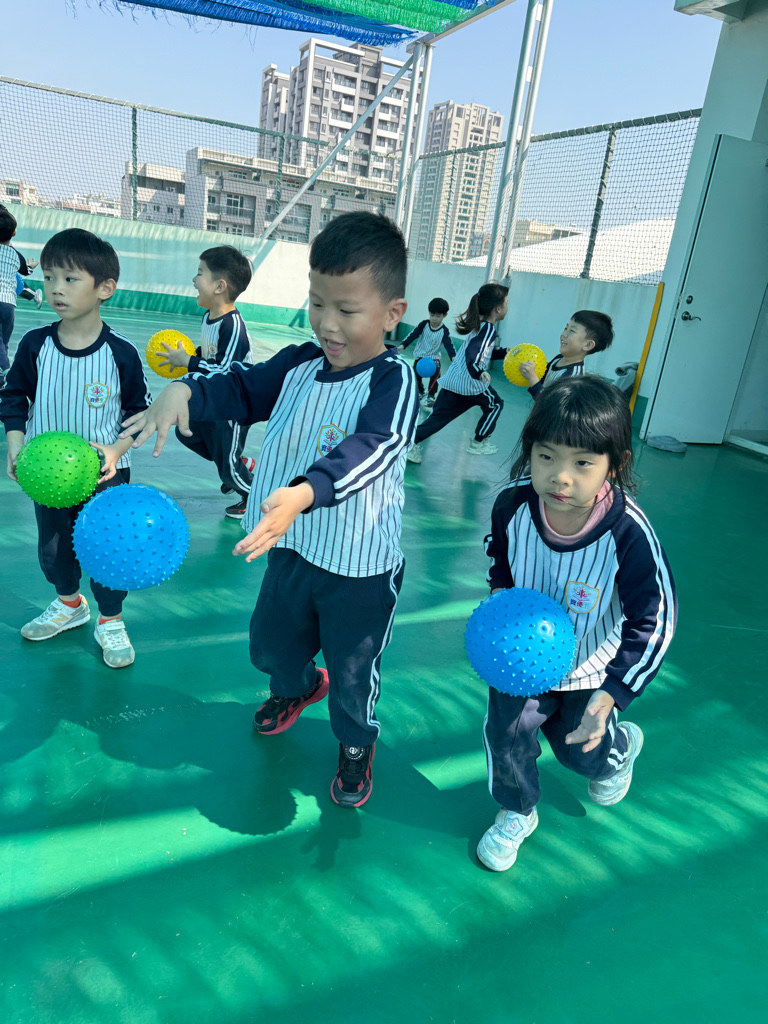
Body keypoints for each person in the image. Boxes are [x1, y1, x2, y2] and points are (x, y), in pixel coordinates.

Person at [121, 211, 418, 807]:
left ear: (392, 313)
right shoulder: (298, 364)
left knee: (354, 672)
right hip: (291, 547)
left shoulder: (394, 380)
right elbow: (241, 387)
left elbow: (375, 445)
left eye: (347, 310)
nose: (327, 323)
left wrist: (306, 491)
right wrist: (185, 389)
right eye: (317, 303)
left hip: (359, 567)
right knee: (269, 647)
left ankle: (355, 743)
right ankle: (298, 687)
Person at [476, 376, 677, 871]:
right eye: (546, 456)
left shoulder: (628, 533)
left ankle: (620, 747)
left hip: (591, 668)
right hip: (522, 661)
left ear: (615, 464)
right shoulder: (512, 504)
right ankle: (517, 810)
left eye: (582, 463)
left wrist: (612, 694)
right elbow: (500, 559)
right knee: (506, 736)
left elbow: (654, 619)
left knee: (580, 756)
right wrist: (500, 597)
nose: (560, 477)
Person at [1, 228, 152, 668]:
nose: (55, 289)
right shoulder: (36, 344)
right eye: (49, 278)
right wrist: (15, 444)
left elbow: (138, 414)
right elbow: (13, 397)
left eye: (70, 279)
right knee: (53, 550)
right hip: (47, 475)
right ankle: (70, 604)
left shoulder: (121, 353)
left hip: (106, 472)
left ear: (105, 288)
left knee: (107, 550)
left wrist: (116, 450)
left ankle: (110, 619)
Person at [158, 245, 256, 519]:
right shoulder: (209, 317)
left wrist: (188, 361)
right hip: (215, 399)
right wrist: (191, 357)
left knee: (227, 468)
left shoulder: (233, 326)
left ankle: (255, 495)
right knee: (187, 432)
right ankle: (237, 463)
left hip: (234, 405)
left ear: (219, 286)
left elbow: (225, 369)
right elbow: (210, 354)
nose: (194, 279)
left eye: (200, 273)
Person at [406, 283, 508, 463]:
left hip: (454, 381)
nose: (507, 306)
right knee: (495, 404)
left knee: (437, 419)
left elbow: (483, 352)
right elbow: (473, 354)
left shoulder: (480, 326)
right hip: (471, 383)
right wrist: (479, 372)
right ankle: (478, 442)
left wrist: (504, 353)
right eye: (506, 302)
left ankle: (409, 443)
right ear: (498, 308)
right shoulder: (489, 329)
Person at [519, 310, 614, 397]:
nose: (563, 334)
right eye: (566, 328)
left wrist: (532, 377)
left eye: (572, 331)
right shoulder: (558, 359)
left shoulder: (573, 377)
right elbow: (542, 380)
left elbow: (548, 402)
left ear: (588, 345)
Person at [0, 206, 41, 386]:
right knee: (4, 341)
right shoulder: (16, 255)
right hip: (9, 304)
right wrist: (32, 266)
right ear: (14, 232)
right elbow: (27, 271)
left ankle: (6, 372)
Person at [397, 296, 456, 407]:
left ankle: (431, 395)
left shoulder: (444, 331)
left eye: (438, 316)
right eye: (432, 315)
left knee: (436, 374)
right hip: (420, 355)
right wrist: (402, 346)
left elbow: (449, 344)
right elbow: (413, 335)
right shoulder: (424, 325)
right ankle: (420, 391)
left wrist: (453, 357)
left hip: (434, 357)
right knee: (415, 375)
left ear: (444, 315)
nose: (434, 319)